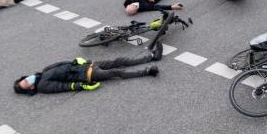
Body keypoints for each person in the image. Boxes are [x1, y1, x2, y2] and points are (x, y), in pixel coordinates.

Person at [13, 44, 163, 95]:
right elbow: (62, 87)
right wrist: (83, 86)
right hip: (88, 74)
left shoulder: (44, 70)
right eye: (26, 84)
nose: (27, 80)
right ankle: (148, 71)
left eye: (24, 80)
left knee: (119, 61)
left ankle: (151, 57)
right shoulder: (42, 86)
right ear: (30, 88)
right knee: (116, 73)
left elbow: (62, 63)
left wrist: (76, 61)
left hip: (87, 65)